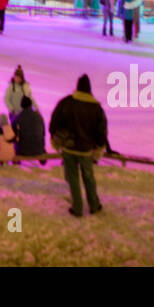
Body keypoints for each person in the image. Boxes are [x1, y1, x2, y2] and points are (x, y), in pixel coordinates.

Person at [49, 74, 109, 217]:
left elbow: (54, 121)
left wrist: (56, 138)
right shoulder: (96, 108)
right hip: (86, 150)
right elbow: (101, 131)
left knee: (73, 178)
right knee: (89, 177)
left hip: (69, 148)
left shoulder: (66, 102)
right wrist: (99, 146)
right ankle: (94, 205)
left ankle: (77, 208)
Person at [12, 95, 47, 161]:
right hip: (39, 149)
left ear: (22, 105)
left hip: (24, 150)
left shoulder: (19, 116)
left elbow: (12, 132)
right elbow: (43, 133)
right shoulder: (38, 116)